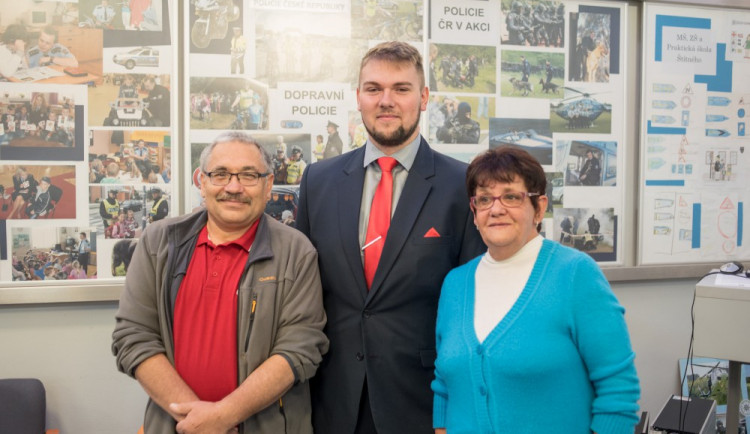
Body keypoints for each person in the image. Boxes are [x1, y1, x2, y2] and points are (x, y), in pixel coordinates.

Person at [296, 41, 484, 434]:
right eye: (373, 89)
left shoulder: (462, 185)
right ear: (359, 98)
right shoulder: (318, 181)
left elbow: (472, 311)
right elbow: (303, 293)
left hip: (423, 403)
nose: (386, 101)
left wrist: (457, 407)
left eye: (401, 88)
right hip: (333, 399)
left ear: (424, 97)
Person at [112, 131, 328, 433]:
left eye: (249, 176)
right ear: (202, 182)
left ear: (268, 187)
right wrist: (198, 421)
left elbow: (300, 348)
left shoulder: (296, 251)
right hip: (175, 426)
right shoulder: (158, 242)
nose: (234, 187)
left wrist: (224, 416)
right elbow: (133, 337)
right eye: (221, 174)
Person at [432, 146, 640, 433]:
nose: (496, 209)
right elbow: (444, 386)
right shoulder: (455, 284)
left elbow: (618, 392)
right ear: (474, 211)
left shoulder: (575, 275)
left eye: (511, 197)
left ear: (539, 207)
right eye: (484, 199)